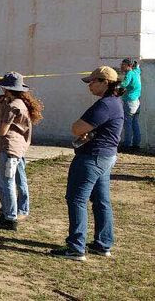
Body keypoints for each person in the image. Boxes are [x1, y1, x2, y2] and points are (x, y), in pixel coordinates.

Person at [51, 66, 123, 261]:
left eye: (92, 81)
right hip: (105, 156)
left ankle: (76, 247)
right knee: (101, 201)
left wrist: (83, 131)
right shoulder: (114, 102)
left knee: (76, 199)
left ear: (105, 83)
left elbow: (76, 128)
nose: (89, 85)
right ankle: (103, 244)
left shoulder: (105, 105)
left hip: (92, 157)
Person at [0, 72, 44, 230]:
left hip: (9, 147)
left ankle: (10, 217)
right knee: (2, 181)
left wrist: (0, 110)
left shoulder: (13, 106)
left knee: (6, 182)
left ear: (6, 88)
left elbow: (3, 130)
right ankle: (9, 211)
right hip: (17, 147)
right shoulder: (21, 103)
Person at [119, 58, 141, 153]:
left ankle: (127, 145)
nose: (121, 66)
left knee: (127, 124)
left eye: (123, 64)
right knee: (135, 123)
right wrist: (136, 65)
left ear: (129, 66)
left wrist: (116, 82)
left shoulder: (129, 74)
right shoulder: (136, 72)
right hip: (136, 102)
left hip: (129, 102)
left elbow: (124, 84)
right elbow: (138, 68)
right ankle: (136, 145)